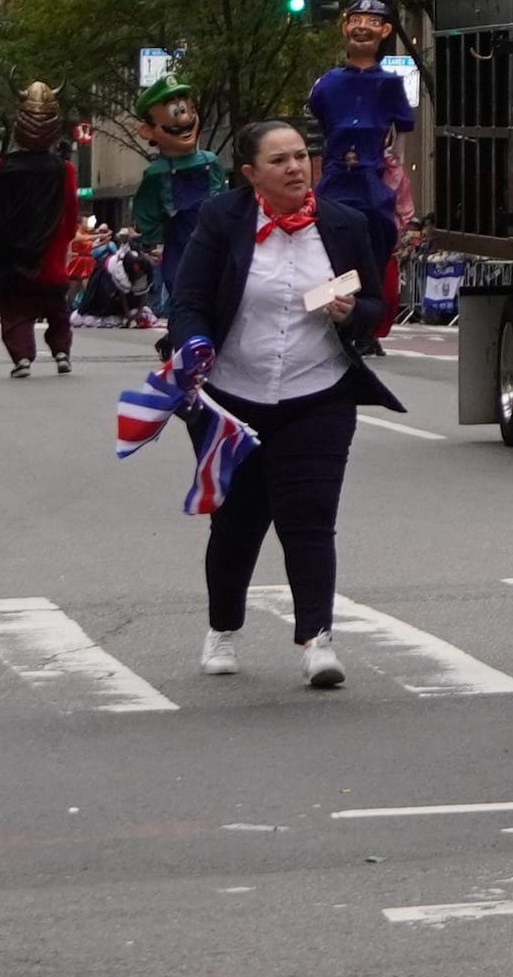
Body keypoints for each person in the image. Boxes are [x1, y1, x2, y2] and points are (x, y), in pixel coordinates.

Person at [158, 120, 407, 687]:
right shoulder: (222, 220)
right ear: (250, 175)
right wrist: (192, 343)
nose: (296, 168)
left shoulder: (344, 224)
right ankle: (223, 628)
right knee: (237, 524)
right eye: (279, 161)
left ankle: (317, 640)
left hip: (317, 394)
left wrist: (352, 312)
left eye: (301, 156)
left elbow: (376, 306)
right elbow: (190, 301)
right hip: (232, 397)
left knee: (311, 518)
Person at [307, 0, 418, 236]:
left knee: (375, 242)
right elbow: (316, 132)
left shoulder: (390, 83)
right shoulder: (327, 83)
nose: (363, 27)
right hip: (334, 179)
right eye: (356, 20)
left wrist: (395, 167)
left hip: (372, 181)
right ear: (346, 28)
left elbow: (402, 134)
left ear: (385, 30)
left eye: (373, 22)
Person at [122, 83, 221, 261]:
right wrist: (157, 242)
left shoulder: (211, 161)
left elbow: (223, 199)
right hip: (180, 248)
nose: (184, 119)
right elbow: (147, 213)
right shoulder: (157, 173)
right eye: (175, 112)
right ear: (147, 130)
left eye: (185, 110)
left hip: (216, 243)